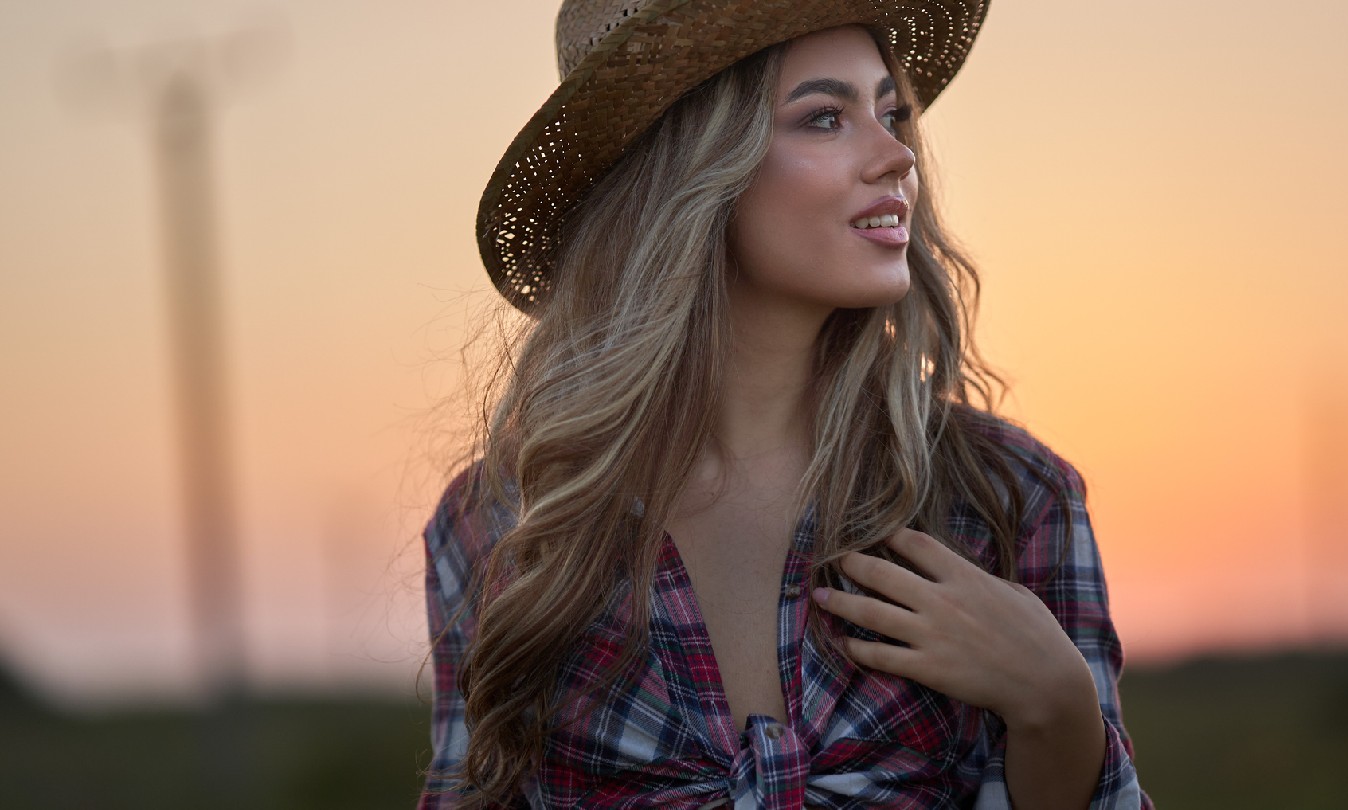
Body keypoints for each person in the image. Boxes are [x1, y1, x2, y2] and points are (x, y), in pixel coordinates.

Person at [418, 2, 1148, 808]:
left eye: (891, 112)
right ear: (691, 168)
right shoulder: (510, 522)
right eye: (827, 117)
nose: (897, 155)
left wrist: (1059, 707)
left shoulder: (1006, 497)